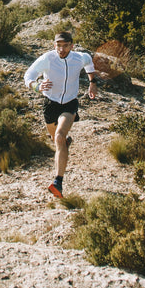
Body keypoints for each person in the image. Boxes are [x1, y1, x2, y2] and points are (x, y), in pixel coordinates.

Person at [23, 31, 98, 198]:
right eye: (58, 46)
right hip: (50, 104)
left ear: (72, 46)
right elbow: (28, 75)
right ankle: (65, 143)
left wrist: (92, 82)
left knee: (59, 136)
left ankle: (58, 181)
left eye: (65, 46)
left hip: (70, 103)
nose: (61, 49)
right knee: (55, 139)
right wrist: (37, 86)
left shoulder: (80, 57)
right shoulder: (47, 59)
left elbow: (89, 64)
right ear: (54, 45)